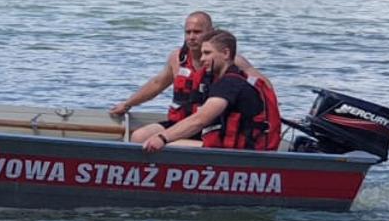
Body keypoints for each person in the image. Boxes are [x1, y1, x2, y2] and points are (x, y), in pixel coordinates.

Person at [113, 11, 259, 145]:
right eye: (188, 32)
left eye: (197, 32)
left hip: (211, 127)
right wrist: (127, 104)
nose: (191, 37)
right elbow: (157, 84)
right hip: (180, 122)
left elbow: (262, 86)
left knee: (170, 143)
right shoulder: (177, 58)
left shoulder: (230, 62)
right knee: (139, 136)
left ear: (211, 32)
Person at [141, 30, 280, 152]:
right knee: (146, 136)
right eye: (202, 53)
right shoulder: (231, 79)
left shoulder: (230, 83)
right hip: (233, 150)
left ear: (226, 53)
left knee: (159, 143)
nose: (202, 59)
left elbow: (200, 119)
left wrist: (162, 138)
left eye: (207, 53)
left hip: (242, 155)